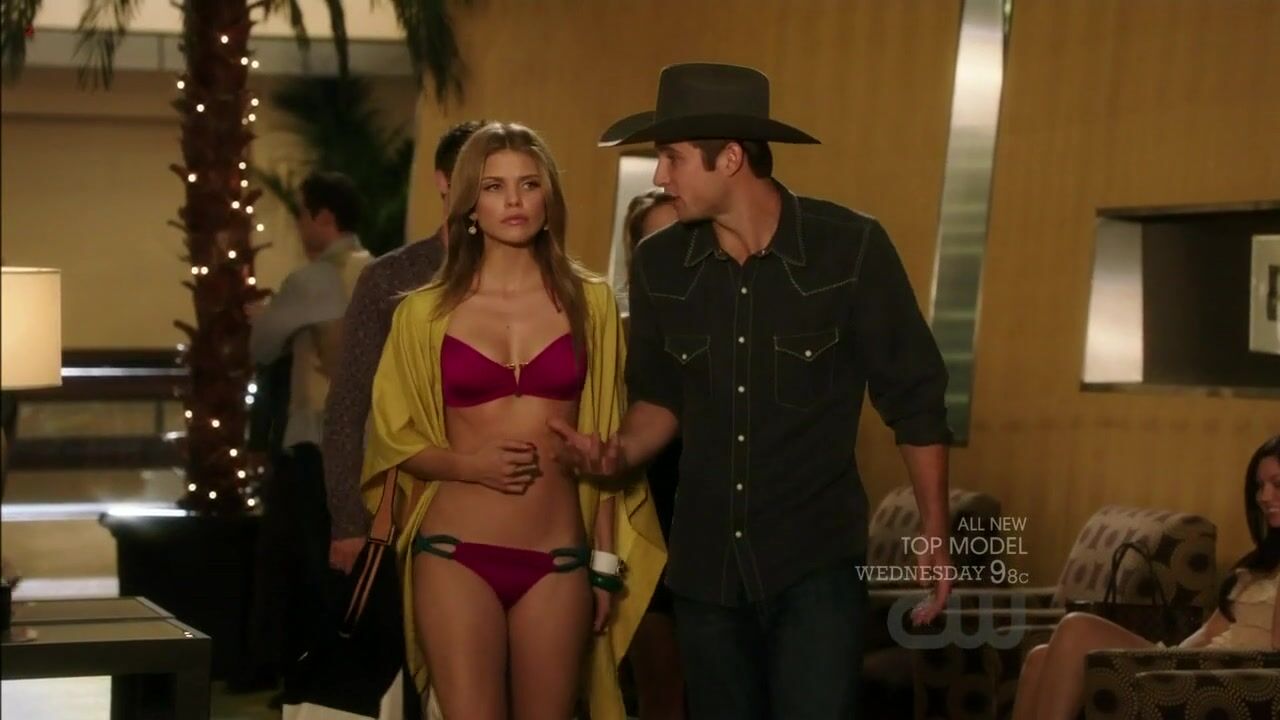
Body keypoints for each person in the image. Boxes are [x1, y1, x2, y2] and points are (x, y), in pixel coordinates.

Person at [553, 62, 955, 718]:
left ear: (731, 158)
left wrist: (934, 533)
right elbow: (659, 399)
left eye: (673, 158)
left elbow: (915, 400)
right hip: (705, 573)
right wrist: (616, 453)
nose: (660, 177)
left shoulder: (850, 250)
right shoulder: (659, 266)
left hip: (816, 565)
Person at [359, 122, 665, 720]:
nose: (514, 200)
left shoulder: (592, 304)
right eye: (494, 186)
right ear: (469, 205)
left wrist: (605, 567)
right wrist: (467, 465)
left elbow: (605, 438)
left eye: (529, 184)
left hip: (560, 560)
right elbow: (390, 440)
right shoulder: (423, 314)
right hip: (454, 555)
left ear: (549, 197)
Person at [1012, 435, 1280, 720]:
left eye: (1277, 484)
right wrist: (1168, 658)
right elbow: (1209, 633)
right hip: (1195, 664)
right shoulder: (1259, 565)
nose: (1264, 497)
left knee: (1076, 627)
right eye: (1259, 486)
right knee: (1039, 657)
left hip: (1233, 674)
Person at [325, 120, 485, 574]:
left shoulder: (530, 279)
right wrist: (348, 520)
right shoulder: (392, 278)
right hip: (413, 498)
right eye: (476, 178)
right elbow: (348, 403)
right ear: (443, 181)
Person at [247, 170, 372, 697]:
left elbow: (261, 346)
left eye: (301, 214)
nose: (299, 226)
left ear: (324, 217)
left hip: (313, 440)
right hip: (367, 441)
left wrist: (263, 316)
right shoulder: (377, 271)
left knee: (305, 564)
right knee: (346, 565)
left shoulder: (313, 280)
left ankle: (303, 680)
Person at [619, 189, 686, 720]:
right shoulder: (619, 338)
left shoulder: (737, 325)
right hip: (644, 533)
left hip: (722, 537)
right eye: (656, 242)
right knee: (659, 695)